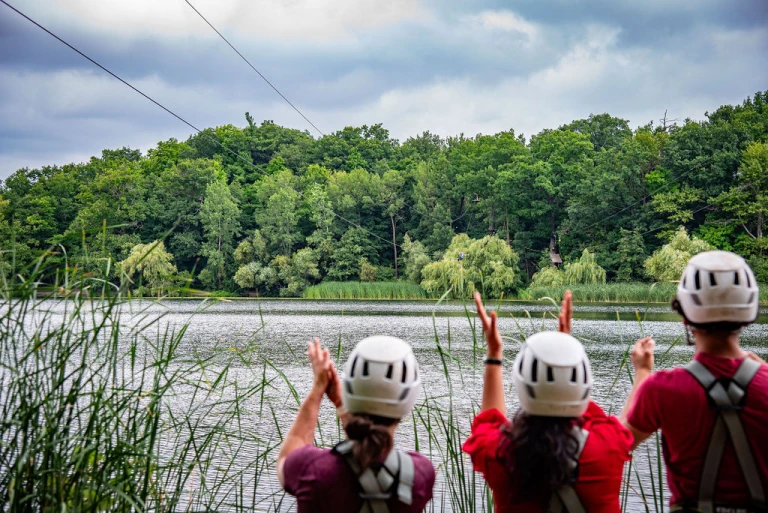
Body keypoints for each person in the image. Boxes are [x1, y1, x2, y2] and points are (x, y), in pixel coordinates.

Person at [622, 250, 768, 513]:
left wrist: (643, 373)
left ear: (685, 314)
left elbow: (617, 445)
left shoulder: (662, 390)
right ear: (750, 311)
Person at [463, 291, 633, 513]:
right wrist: (565, 355)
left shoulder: (499, 454)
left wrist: (494, 353)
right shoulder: (608, 447)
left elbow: (487, 422)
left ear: (521, 382)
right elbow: (594, 418)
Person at [277, 336, 436, 512]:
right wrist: (340, 404)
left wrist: (318, 390)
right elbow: (368, 444)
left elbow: (290, 453)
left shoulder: (312, 469)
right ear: (408, 397)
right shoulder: (420, 474)